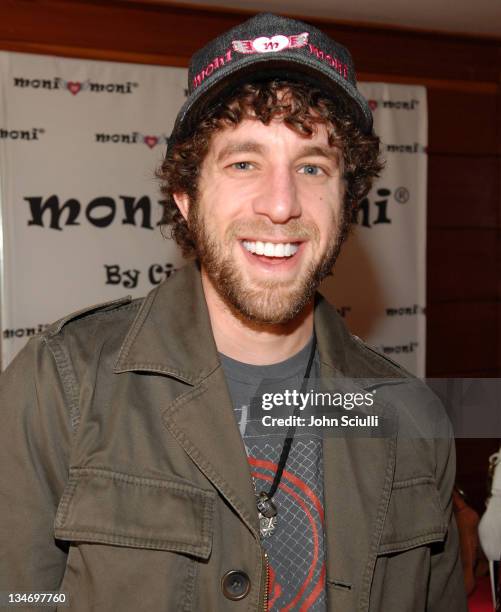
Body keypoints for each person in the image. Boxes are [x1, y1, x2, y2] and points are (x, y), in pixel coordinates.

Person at [0, 12, 467, 612]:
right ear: (187, 199)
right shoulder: (61, 385)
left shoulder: (409, 416)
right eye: (244, 163)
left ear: (346, 205)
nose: (280, 203)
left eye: (312, 167)